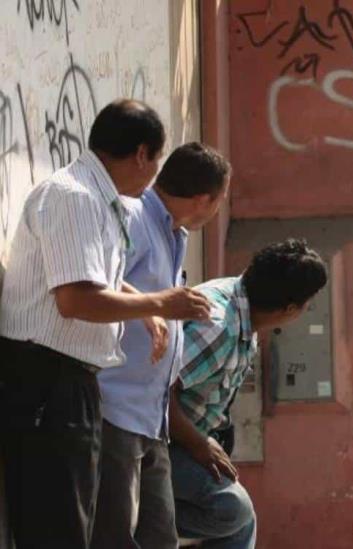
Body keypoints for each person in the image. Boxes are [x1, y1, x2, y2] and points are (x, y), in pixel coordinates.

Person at [0, 100, 212, 549]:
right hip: (46, 380)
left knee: (76, 524)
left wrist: (145, 307)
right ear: (141, 154)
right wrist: (161, 302)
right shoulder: (74, 197)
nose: (155, 175)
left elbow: (100, 278)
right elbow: (75, 299)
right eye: (156, 161)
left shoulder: (102, 200)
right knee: (57, 529)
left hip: (71, 383)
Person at [90, 143, 231, 549]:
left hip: (151, 417)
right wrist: (155, 307)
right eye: (220, 200)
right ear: (205, 199)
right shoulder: (133, 215)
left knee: (158, 537)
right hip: (115, 405)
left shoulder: (173, 232)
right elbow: (96, 275)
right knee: (114, 535)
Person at [169, 239, 328, 548]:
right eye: (307, 303)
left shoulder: (243, 313)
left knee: (240, 522)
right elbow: (155, 394)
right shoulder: (220, 328)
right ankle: (142, 511)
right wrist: (198, 443)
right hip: (150, 440)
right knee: (231, 510)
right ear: (290, 308)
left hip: (181, 437)